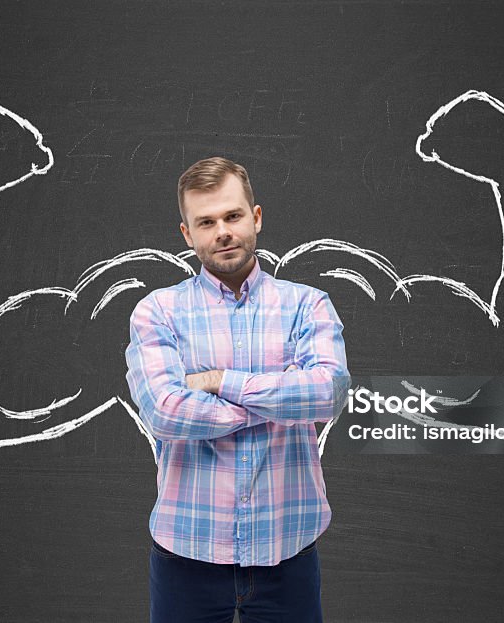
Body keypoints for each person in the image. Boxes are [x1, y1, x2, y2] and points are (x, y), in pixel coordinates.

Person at [125, 156, 351, 622]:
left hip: (288, 551)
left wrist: (218, 383)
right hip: (186, 552)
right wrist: (279, 398)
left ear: (256, 218)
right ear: (187, 235)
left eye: (232, 216)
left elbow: (328, 392)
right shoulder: (157, 312)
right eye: (205, 222)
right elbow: (165, 411)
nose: (222, 231)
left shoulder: (307, 305)